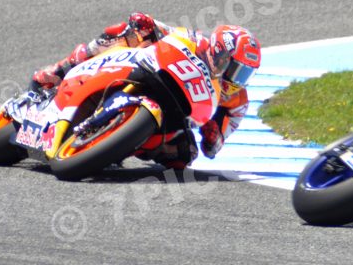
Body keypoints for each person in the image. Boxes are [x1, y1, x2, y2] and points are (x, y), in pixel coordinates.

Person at [28, 12, 261, 169]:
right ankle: (60, 70)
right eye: (236, 69)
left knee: (185, 154)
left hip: (175, 115)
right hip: (150, 74)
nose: (237, 79)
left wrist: (212, 135)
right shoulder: (195, 41)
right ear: (220, 52)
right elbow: (162, 30)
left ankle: (116, 147)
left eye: (245, 74)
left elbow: (215, 147)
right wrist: (145, 24)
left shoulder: (237, 101)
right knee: (122, 32)